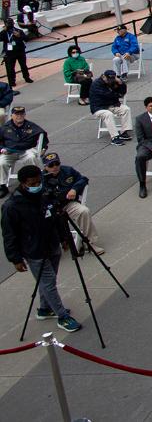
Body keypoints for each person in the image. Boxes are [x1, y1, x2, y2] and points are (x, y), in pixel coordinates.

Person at [1, 165, 82, 332]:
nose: (37, 185)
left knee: (48, 281)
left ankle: (45, 308)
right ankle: (62, 316)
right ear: (23, 183)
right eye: (32, 183)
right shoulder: (12, 206)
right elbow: (9, 235)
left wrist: (63, 237)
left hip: (52, 244)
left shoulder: (45, 194)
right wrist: (15, 258)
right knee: (49, 282)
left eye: (39, 181)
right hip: (34, 251)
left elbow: (56, 216)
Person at [41, 152, 100, 255]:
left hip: (67, 204)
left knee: (84, 211)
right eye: (51, 165)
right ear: (45, 167)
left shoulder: (67, 170)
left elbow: (83, 179)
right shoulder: (41, 178)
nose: (55, 167)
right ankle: (49, 248)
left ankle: (90, 244)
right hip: (50, 208)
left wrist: (74, 189)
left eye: (57, 163)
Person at [0, 106, 47, 199]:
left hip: (27, 150)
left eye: (21, 114)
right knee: (1, 162)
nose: (19, 116)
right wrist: (2, 149)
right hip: (9, 152)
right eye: (16, 114)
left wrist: (43, 149)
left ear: (25, 115)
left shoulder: (31, 126)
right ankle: (2, 186)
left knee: (32, 157)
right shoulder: (5, 128)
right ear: (12, 115)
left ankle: (35, 181)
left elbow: (43, 136)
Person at [89, 70, 133, 146]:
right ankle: (114, 137)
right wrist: (117, 95)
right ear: (103, 76)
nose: (110, 81)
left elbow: (123, 92)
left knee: (126, 109)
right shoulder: (96, 84)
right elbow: (107, 95)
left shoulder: (113, 82)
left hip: (111, 105)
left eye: (112, 79)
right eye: (109, 79)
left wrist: (121, 83)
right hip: (99, 107)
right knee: (108, 114)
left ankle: (123, 132)